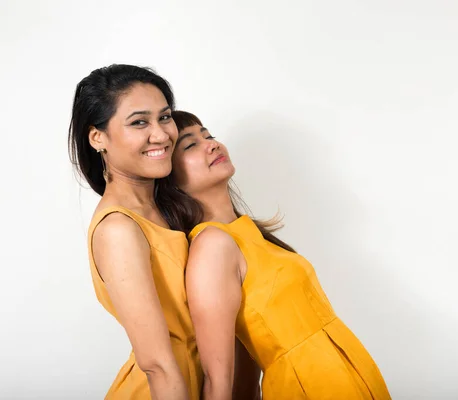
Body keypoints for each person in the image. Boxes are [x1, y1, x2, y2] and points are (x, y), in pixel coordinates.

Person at [155, 110, 391, 399]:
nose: (212, 144)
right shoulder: (212, 246)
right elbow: (219, 382)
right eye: (191, 145)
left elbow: (246, 370)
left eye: (209, 135)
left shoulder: (246, 234)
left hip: (348, 378)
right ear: (170, 178)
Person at [68, 65, 202, 399]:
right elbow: (157, 363)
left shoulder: (168, 206)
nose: (161, 134)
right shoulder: (118, 228)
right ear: (97, 137)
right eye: (139, 122)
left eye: (165, 117)